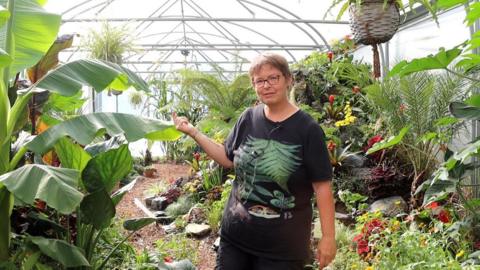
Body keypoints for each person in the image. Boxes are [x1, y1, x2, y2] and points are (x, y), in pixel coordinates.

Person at [172, 52, 336, 270]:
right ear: (254, 86)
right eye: (259, 81)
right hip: (236, 238)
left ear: (288, 80)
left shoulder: (307, 129)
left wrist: (328, 237)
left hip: (283, 249)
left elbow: (322, 187)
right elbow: (227, 158)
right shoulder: (248, 118)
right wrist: (194, 132)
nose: (266, 85)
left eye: (273, 78)